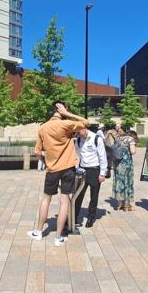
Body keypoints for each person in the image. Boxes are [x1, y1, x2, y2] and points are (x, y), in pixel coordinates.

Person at [27, 101, 88, 247]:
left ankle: (39, 231)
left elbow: (37, 151)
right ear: (61, 110)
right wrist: (67, 114)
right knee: (64, 200)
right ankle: (59, 236)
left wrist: (46, 161)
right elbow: (85, 122)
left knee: (46, 199)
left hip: (52, 169)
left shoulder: (42, 128)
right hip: (68, 168)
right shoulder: (66, 124)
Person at [74, 126, 107, 227]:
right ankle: (74, 217)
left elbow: (102, 156)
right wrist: (76, 168)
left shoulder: (97, 139)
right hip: (82, 171)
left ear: (84, 128)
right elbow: (77, 155)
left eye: (79, 132)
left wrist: (102, 173)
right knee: (78, 195)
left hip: (94, 170)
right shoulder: (78, 140)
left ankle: (91, 218)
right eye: (77, 133)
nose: (78, 134)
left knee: (94, 196)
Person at [112, 129, 137, 212]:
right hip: (126, 164)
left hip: (117, 164)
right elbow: (133, 151)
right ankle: (126, 205)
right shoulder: (130, 139)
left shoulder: (118, 138)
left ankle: (119, 204)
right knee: (127, 182)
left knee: (119, 182)